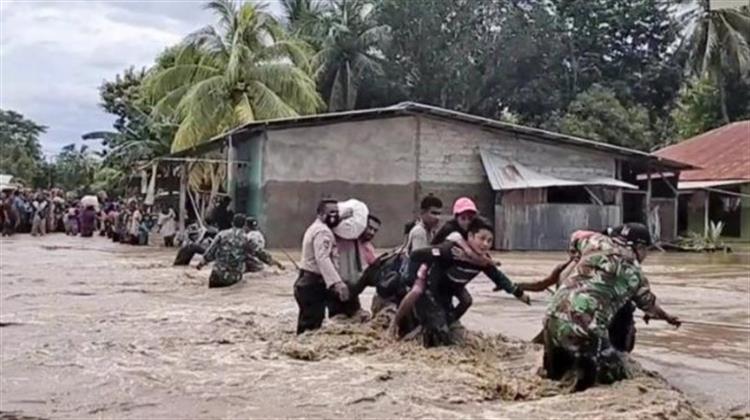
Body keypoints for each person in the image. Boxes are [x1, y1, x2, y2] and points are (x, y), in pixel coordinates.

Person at [542, 223, 681, 391]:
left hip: (551, 319)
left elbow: (575, 235)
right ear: (640, 247)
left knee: (550, 379)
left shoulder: (594, 241)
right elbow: (651, 306)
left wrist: (577, 257)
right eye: (647, 250)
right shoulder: (635, 275)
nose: (646, 255)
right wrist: (668, 318)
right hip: (587, 329)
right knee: (620, 380)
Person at [393, 217, 531, 346]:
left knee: (465, 302)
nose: (485, 244)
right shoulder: (452, 250)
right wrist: (437, 254)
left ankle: (447, 322)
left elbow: (500, 278)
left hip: (448, 294)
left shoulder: (483, 261)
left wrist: (520, 295)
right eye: (482, 238)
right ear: (470, 236)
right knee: (440, 337)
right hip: (429, 292)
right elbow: (417, 254)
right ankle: (400, 335)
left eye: (489, 241)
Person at [294, 199, 350, 334]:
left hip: (306, 281)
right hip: (313, 284)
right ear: (320, 214)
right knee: (311, 328)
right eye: (331, 213)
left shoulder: (316, 228)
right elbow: (323, 258)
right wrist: (337, 283)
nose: (334, 216)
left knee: (308, 325)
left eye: (337, 213)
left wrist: (344, 216)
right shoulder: (322, 232)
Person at [197, 214, 274, 288]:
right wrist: (274, 263)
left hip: (215, 276)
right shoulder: (246, 239)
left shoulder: (221, 234)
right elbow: (260, 253)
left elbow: (210, 252)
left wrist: (201, 264)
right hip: (233, 278)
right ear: (244, 226)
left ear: (232, 223)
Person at [330, 214, 382, 320]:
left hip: (353, 293)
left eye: (375, 231)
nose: (372, 233)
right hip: (336, 290)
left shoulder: (369, 249)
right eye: (370, 228)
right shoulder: (346, 240)